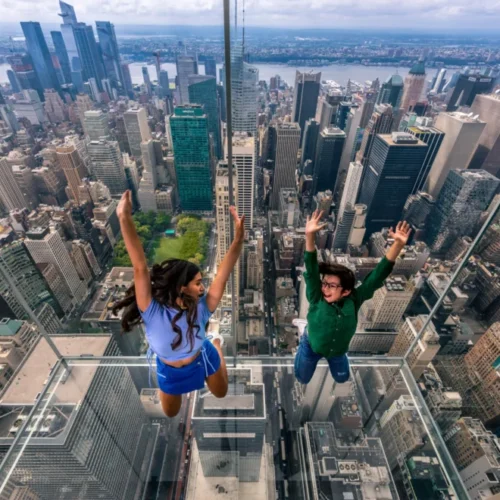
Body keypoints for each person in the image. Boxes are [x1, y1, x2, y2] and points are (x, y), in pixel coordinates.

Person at [113, 190, 244, 417]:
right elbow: (140, 267)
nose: (203, 288)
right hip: (169, 369)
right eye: (198, 283)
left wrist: (238, 239)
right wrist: (124, 217)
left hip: (201, 356)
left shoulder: (202, 309)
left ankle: (216, 344)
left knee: (221, 393)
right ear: (182, 286)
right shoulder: (152, 311)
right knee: (171, 413)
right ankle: (210, 343)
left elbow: (223, 273)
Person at [294, 209, 411, 385]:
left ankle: (312, 332)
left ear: (346, 291)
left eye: (332, 286)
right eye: (324, 283)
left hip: (338, 351)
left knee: (342, 378)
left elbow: (376, 277)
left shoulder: (354, 299)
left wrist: (398, 245)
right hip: (311, 346)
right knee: (302, 378)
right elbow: (311, 271)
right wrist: (309, 236)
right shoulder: (316, 296)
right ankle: (305, 330)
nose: (325, 288)